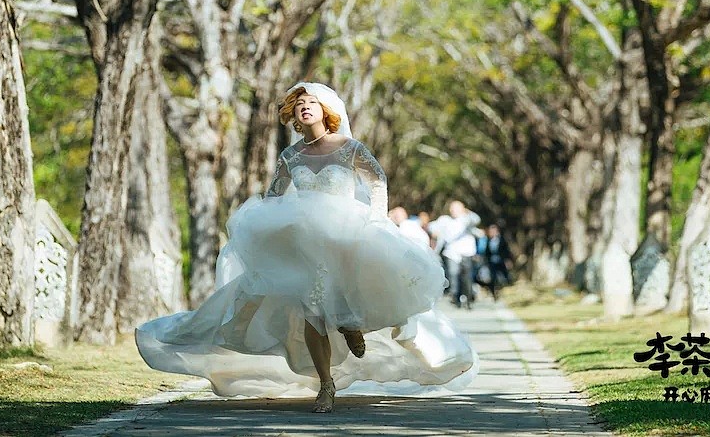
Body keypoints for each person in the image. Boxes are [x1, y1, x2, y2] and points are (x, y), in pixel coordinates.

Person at [136, 82, 477, 413]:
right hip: (305, 240)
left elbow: (376, 181)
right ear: (295, 116)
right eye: (299, 105)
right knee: (311, 312)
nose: (304, 107)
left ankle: (351, 324)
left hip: (347, 231)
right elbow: (274, 195)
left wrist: (375, 220)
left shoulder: (349, 146)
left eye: (311, 102)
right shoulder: (291, 154)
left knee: (348, 295)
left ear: (325, 110)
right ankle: (326, 385)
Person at [429, 201, 480, 309]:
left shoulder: (467, 219)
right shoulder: (445, 220)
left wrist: (467, 211)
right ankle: (455, 297)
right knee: (453, 274)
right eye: (451, 208)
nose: (453, 211)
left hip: (467, 252)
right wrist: (435, 232)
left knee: (466, 277)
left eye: (456, 208)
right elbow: (432, 226)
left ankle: (468, 297)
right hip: (451, 253)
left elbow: (477, 219)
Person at [477, 223, 513, 300]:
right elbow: (486, 252)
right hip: (491, 262)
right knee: (492, 278)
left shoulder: (502, 240)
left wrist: (507, 260)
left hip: (501, 261)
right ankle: (494, 293)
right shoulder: (488, 240)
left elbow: (506, 251)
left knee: (504, 277)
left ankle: (503, 291)